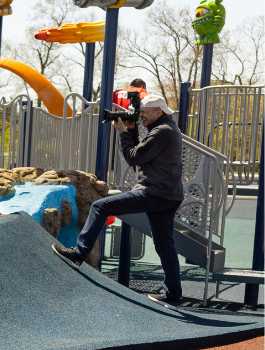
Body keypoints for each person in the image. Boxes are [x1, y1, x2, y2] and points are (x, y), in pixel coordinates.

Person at [53, 94, 185, 303]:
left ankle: (78, 255)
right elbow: (139, 156)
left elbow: (133, 157)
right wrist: (131, 131)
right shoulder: (166, 129)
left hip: (155, 192)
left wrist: (124, 132)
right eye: (140, 111)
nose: (140, 114)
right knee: (164, 245)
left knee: (99, 207)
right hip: (168, 194)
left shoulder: (162, 132)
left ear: (158, 111)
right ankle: (173, 295)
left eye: (144, 111)